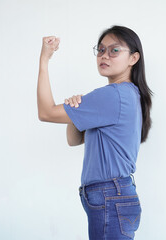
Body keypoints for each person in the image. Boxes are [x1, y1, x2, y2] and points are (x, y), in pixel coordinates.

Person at [37, 25, 153, 239]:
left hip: (110, 196)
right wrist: (76, 112)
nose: (104, 55)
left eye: (114, 50)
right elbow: (73, 140)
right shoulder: (125, 94)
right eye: (100, 50)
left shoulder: (114, 95)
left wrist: (44, 59)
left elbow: (45, 113)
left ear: (133, 58)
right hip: (113, 195)